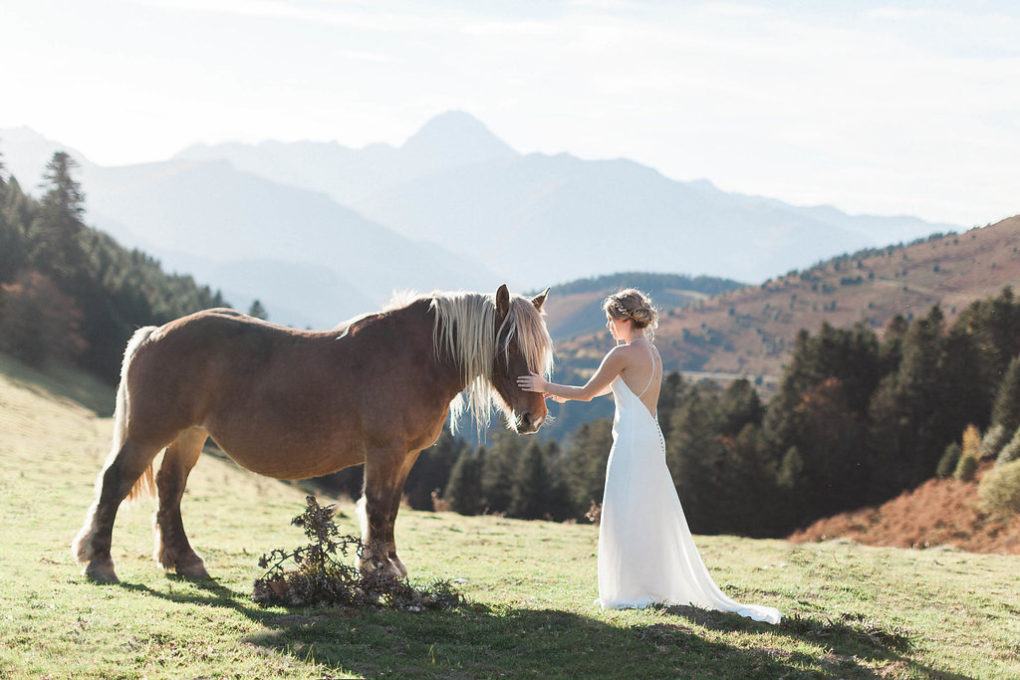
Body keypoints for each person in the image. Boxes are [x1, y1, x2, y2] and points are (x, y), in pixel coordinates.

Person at [517, 289, 780, 623]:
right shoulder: (652, 353)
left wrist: (543, 386)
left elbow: (586, 393)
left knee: (626, 510)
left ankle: (629, 590)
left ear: (626, 319)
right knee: (646, 512)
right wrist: (564, 396)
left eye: (611, 321)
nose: (609, 328)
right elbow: (602, 390)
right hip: (650, 438)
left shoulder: (621, 354)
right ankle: (641, 585)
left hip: (630, 441)